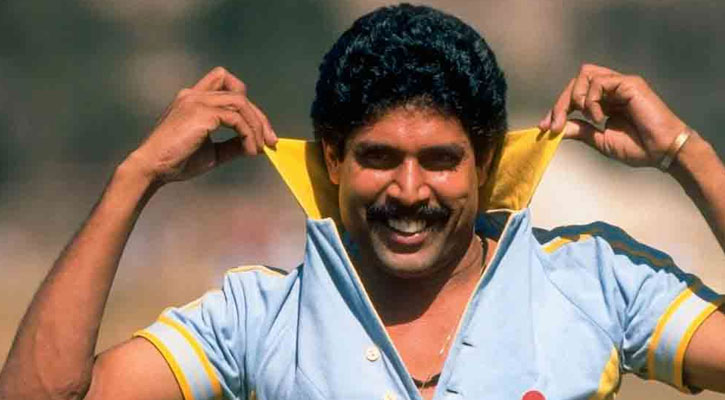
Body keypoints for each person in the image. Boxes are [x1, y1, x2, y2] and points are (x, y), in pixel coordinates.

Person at [1, 4, 724, 400]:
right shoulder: (260, 317)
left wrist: (683, 155)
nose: (408, 192)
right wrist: (135, 177)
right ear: (332, 160)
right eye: (379, 158)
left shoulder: (592, 283)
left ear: (484, 163)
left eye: (439, 160)